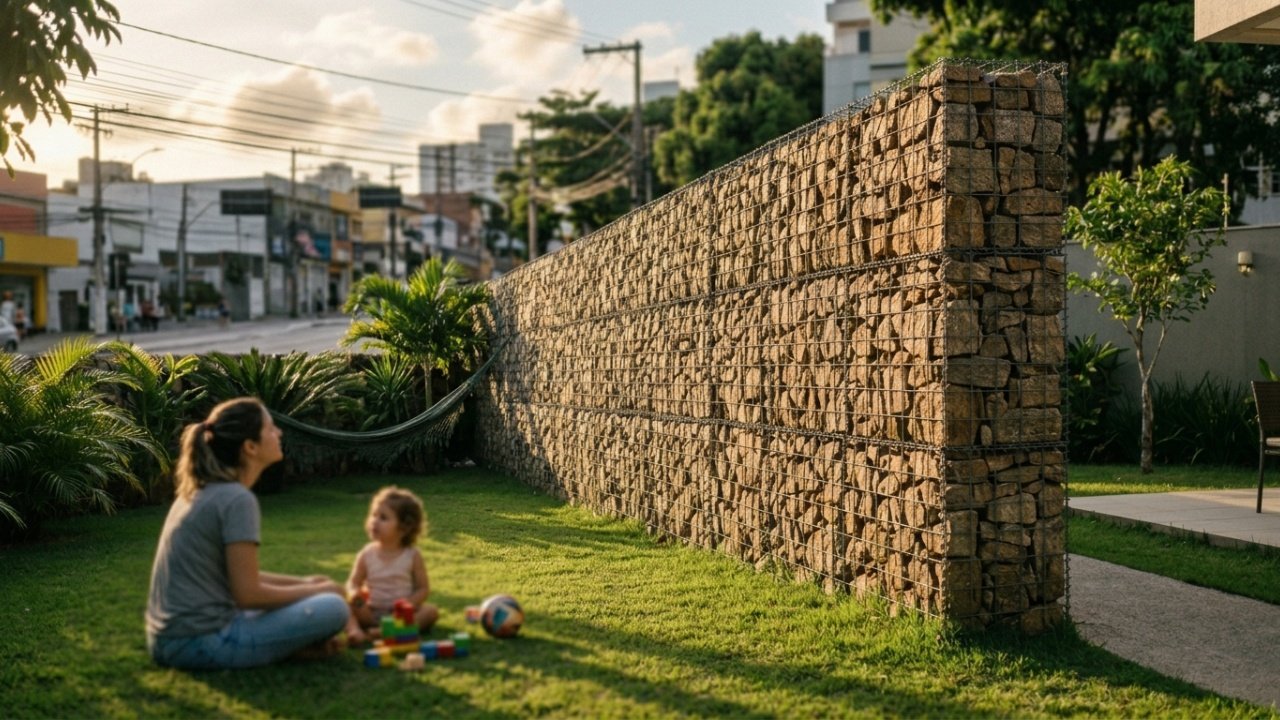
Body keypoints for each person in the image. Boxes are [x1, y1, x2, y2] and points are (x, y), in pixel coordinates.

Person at [145, 397, 349, 669]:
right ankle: (289, 648)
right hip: (202, 642)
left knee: (320, 595)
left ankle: (293, 648)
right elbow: (248, 594)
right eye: (271, 428)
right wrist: (319, 590)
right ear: (250, 447)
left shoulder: (198, 492)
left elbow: (237, 578)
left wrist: (306, 583)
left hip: (167, 642)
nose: (279, 433)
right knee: (334, 606)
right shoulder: (236, 499)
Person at [343, 486, 438, 644]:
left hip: (400, 615)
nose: (374, 521)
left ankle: (385, 632)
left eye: (383, 518)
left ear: (404, 528)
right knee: (343, 606)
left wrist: (409, 603)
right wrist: (354, 595)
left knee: (430, 611)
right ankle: (355, 631)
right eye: (373, 515)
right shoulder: (367, 554)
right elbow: (353, 583)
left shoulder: (412, 555)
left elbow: (423, 588)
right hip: (370, 613)